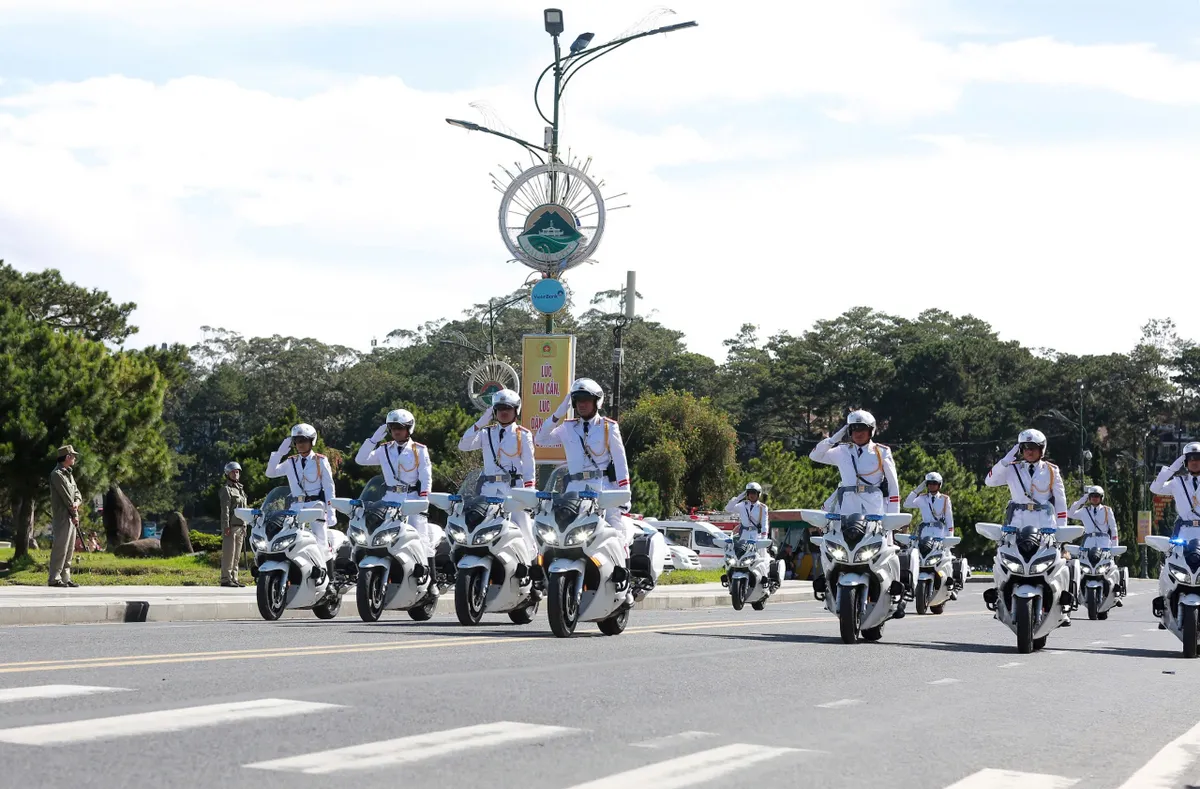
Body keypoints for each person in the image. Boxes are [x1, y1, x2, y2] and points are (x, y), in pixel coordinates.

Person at [810, 410, 910, 615]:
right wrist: (838, 435)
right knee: (834, 546)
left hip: (875, 509)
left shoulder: (882, 452)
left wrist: (893, 518)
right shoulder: (841, 451)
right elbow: (816, 455)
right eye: (853, 429)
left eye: (862, 428)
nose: (858, 433)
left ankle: (896, 595)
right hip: (847, 509)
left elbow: (893, 488)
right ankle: (828, 586)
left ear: (871, 431)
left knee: (888, 549)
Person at [985, 428, 1073, 623]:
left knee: (1058, 564)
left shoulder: (1052, 470)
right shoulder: (1011, 468)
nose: (1029, 452)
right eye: (1025, 448)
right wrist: (1004, 461)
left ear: (1042, 449)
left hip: (1044, 525)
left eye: (1033, 448)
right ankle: (1000, 601)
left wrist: (1062, 530)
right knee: (1001, 560)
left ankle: (1063, 608)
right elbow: (989, 481)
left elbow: (1060, 502)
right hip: (1017, 524)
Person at [535, 378, 632, 540]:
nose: (582, 404)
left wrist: (624, 494)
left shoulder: (608, 427)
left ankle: (622, 565)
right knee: (564, 532)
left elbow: (621, 463)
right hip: (574, 489)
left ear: (596, 402)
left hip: (603, 487)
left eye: (586, 400)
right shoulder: (567, 428)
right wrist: (558, 413)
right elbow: (540, 439)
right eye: (578, 400)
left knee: (616, 532)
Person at [356, 409, 441, 584]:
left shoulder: (419, 450)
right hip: (390, 498)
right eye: (393, 427)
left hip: (412, 498)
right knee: (382, 536)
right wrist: (373, 439)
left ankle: (430, 582)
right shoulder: (384, 449)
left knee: (421, 538)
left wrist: (424, 500)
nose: (396, 431)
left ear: (409, 429)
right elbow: (361, 459)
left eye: (400, 428)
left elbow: (426, 477)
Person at [458, 389, 537, 554]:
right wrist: (481, 421)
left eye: (508, 409)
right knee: (485, 528)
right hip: (489, 489)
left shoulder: (523, 434)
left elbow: (529, 466)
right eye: (500, 409)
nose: (504, 413)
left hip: (514, 489)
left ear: (516, 411)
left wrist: (528, 491)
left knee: (523, 528)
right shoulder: (486, 433)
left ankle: (531, 564)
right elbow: (463, 445)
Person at [266, 423, 337, 585]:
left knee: (321, 540)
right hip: (296, 506)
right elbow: (270, 473)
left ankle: (329, 579)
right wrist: (280, 452)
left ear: (312, 441)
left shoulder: (320, 460)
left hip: (315, 505)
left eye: (303, 441)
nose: (300, 444)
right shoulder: (290, 462)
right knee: (290, 539)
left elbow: (328, 486)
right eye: (297, 441)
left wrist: (331, 510)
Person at [904, 471, 963, 593]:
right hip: (925, 531)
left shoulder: (945, 499)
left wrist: (950, 536)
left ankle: (950, 585)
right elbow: (907, 504)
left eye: (934, 483)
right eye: (929, 483)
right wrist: (916, 491)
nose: (931, 486)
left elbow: (949, 518)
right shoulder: (922, 498)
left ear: (939, 485)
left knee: (946, 556)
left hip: (939, 531)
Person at [726, 482, 780, 584]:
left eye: (754, 493)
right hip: (744, 535)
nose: (751, 495)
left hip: (757, 535)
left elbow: (764, 523)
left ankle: (765, 579)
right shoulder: (742, 505)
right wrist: (738, 497)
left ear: (758, 494)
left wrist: (764, 538)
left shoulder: (762, 507)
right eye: (749, 492)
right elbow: (728, 509)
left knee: (761, 557)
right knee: (740, 557)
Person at [47, 445, 83, 588]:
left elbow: (77, 493)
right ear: (67, 457)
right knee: (60, 548)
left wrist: (77, 503)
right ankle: (54, 578)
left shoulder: (69, 474)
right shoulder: (57, 474)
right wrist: (74, 512)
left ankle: (65, 578)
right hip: (63, 516)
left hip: (72, 514)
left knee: (69, 549)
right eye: (73, 456)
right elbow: (66, 497)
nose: (74, 458)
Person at [1150, 442, 1200, 542]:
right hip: (1185, 533)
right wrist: (1173, 468)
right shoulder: (1178, 482)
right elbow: (1155, 488)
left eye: (1198, 458)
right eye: (1190, 459)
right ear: (1185, 462)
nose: (1194, 462)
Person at [218, 461, 248, 587]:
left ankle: (234, 578)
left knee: (236, 555)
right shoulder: (226, 490)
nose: (236, 474)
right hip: (231, 526)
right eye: (233, 472)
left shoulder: (240, 489)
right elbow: (225, 510)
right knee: (229, 554)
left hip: (241, 526)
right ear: (227, 474)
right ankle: (226, 578)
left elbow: (245, 508)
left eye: (237, 472)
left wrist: (245, 525)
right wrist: (226, 527)